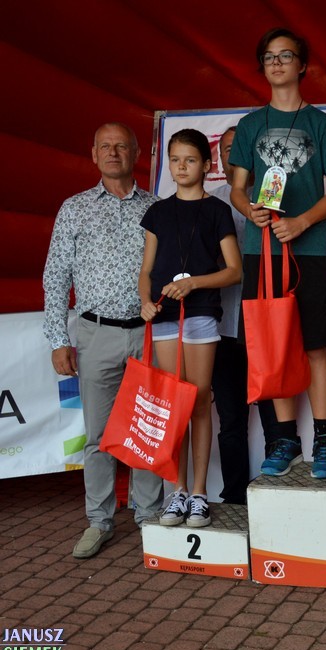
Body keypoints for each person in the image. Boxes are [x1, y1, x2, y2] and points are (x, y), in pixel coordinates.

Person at [229, 27, 326, 478]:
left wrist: (301, 222)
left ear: (303, 66)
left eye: (286, 55)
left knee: (314, 346)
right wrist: (250, 210)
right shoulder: (249, 125)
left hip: (310, 251)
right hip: (261, 252)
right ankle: (285, 440)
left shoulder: (323, 124)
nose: (277, 63)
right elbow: (237, 189)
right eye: (269, 56)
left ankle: (323, 439)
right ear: (262, 66)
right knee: (275, 347)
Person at [42, 123, 165, 558]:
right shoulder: (74, 208)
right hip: (95, 334)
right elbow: (56, 276)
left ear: (136, 154)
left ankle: (149, 515)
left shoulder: (157, 208)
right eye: (105, 147)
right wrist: (58, 338)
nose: (114, 153)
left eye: (121, 146)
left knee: (148, 429)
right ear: (94, 154)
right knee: (98, 436)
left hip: (149, 333)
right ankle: (99, 520)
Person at [139, 129, 240, 527]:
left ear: (207, 165)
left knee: (198, 402)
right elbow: (146, 271)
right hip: (164, 317)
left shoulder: (217, 210)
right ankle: (176, 491)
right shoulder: (157, 212)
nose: (181, 167)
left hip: (200, 314)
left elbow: (234, 271)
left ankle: (199, 493)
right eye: (175, 160)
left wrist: (193, 283)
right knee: (173, 406)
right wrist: (145, 302)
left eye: (190, 160)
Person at [209, 126, 278, 504]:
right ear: (219, 160)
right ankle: (234, 495)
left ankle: (273, 495)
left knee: (274, 417)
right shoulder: (210, 203)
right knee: (231, 420)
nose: (233, 156)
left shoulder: (275, 196)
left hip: (266, 325)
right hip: (221, 327)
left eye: (240, 148)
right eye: (226, 150)